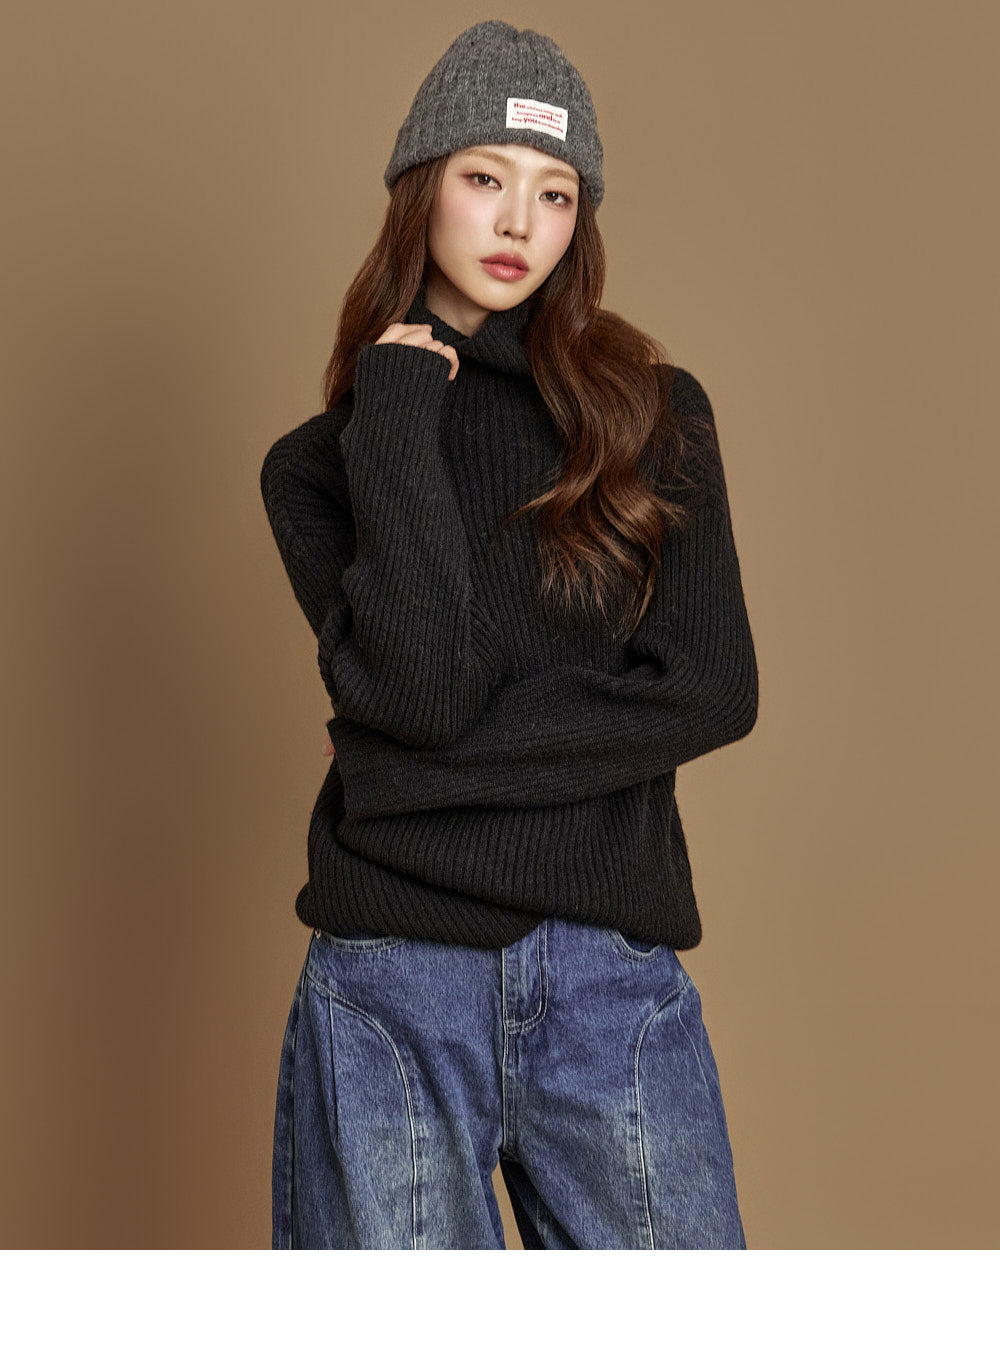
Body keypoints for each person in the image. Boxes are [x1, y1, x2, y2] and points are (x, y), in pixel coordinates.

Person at [260, 19, 760, 1250]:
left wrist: (394, 779)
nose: (517, 222)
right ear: (420, 188)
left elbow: (709, 690)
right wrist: (394, 412)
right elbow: (423, 691)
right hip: (392, 979)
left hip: (609, 980)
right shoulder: (319, 467)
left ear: (578, 220)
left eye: (553, 193)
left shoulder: (655, 416)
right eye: (484, 177)